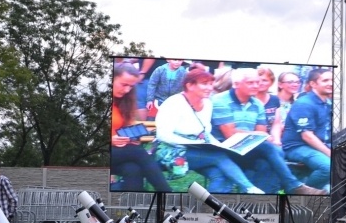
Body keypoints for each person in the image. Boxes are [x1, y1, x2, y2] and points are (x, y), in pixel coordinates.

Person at [211, 68, 325, 195]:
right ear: (236, 84)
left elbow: (261, 134)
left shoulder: (257, 104)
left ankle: (261, 201)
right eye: (250, 83)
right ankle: (293, 185)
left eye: (257, 82)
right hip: (224, 149)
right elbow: (230, 135)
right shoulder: (221, 100)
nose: (256, 86)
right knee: (270, 150)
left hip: (247, 149)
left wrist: (259, 136)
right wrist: (257, 135)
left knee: (267, 162)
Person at [154, 69, 264, 194]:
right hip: (170, 151)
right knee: (219, 157)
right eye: (204, 84)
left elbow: (205, 132)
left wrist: (220, 146)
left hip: (197, 150)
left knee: (221, 174)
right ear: (190, 85)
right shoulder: (174, 103)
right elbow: (162, 135)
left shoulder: (207, 103)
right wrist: (194, 143)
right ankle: (250, 188)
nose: (209, 88)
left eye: (211, 84)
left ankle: (211, 205)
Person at [111, 63, 172, 192]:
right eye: (124, 84)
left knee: (133, 169)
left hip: (120, 151)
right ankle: (167, 192)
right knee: (137, 152)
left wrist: (132, 137)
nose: (127, 90)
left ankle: (132, 202)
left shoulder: (124, 101)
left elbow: (126, 127)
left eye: (131, 86)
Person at [281, 68, 333, 191]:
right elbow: (307, 136)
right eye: (325, 80)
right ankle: (303, 194)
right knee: (328, 167)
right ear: (313, 84)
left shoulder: (328, 103)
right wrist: (329, 153)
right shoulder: (304, 103)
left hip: (317, 146)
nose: (331, 83)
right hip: (297, 147)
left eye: (332, 80)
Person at [269, 71, 301, 146]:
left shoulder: (298, 103)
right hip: (272, 139)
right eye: (290, 82)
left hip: (290, 140)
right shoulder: (271, 101)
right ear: (280, 85)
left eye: (297, 82)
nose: (295, 84)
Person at [254, 67, 281, 132]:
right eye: (258, 80)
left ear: (271, 82)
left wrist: (276, 138)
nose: (260, 83)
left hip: (270, 135)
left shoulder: (275, 99)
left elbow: (276, 125)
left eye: (264, 80)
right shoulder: (247, 99)